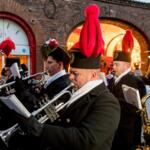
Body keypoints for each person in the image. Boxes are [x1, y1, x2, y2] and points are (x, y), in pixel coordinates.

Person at [9, 4, 120, 150]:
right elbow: (61, 120)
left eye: (75, 74)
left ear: (93, 74)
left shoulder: (107, 102)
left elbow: (86, 140)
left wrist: (40, 129)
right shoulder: (76, 91)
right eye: (71, 72)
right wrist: (47, 109)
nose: (71, 77)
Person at [109, 30, 146, 150]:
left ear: (127, 65)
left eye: (116, 65)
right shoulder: (118, 78)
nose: (113, 68)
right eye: (113, 64)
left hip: (126, 130)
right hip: (118, 128)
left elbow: (133, 107)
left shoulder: (131, 80)